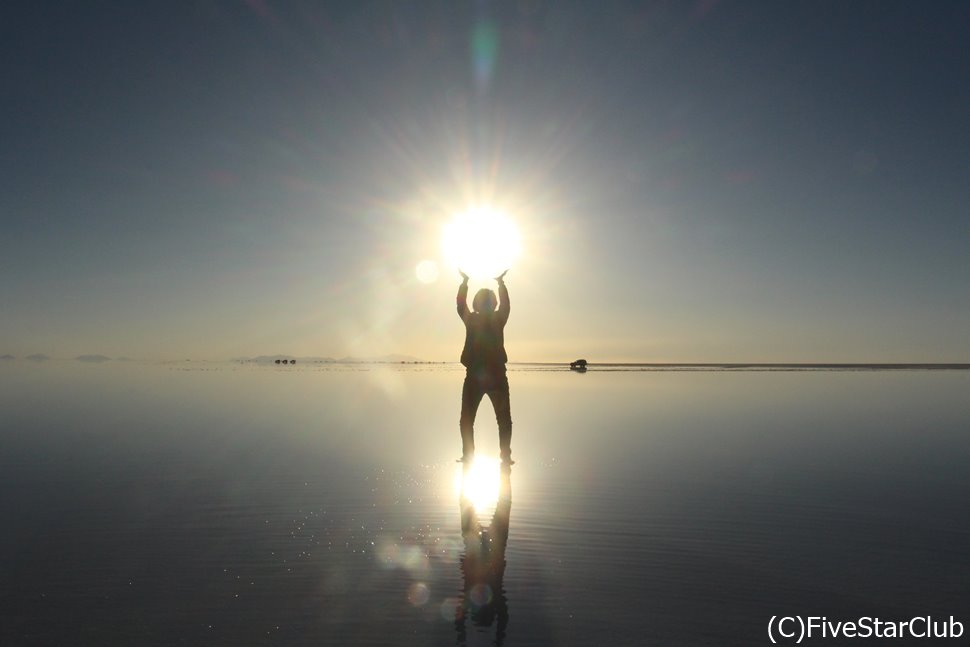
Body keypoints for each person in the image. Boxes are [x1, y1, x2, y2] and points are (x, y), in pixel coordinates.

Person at [456, 269, 512, 463]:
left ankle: (502, 455)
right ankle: (473, 455)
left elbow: (505, 306)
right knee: (471, 420)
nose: (486, 304)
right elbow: (460, 306)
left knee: (499, 419)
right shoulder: (476, 319)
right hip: (478, 376)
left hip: (492, 376)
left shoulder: (495, 319)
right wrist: (464, 283)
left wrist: (501, 285)